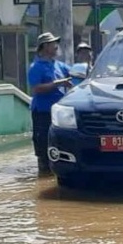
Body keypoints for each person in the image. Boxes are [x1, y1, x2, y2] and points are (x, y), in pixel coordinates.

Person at [28, 32, 73, 176]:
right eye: (53, 44)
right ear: (45, 46)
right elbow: (36, 88)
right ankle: (44, 172)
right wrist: (58, 83)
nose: (56, 46)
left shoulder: (59, 65)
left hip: (59, 113)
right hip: (42, 112)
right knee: (43, 144)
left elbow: (75, 75)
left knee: (61, 143)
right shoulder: (36, 67)